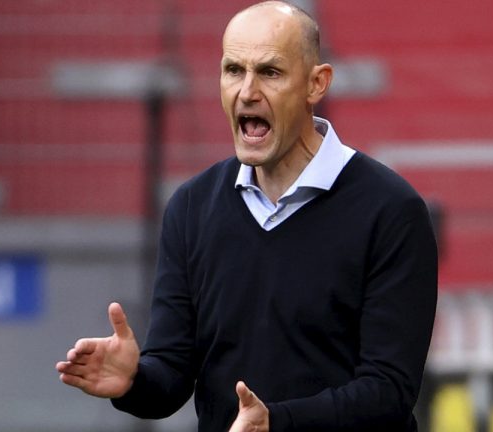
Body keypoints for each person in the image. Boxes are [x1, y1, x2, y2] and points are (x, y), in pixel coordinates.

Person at [55, 1, 438, 431]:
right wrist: (132, 381)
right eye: (233, 70)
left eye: (270, 72)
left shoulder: (391, 210)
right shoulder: (191, 208)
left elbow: (388, 392)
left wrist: (276, 423)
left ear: (317, 84)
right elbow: (172, 374)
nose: (247, 91)